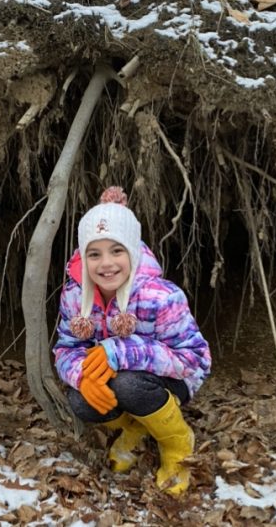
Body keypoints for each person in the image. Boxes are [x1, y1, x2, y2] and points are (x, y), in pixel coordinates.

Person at [53, 186, 212, 496]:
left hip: (172, 379)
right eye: (94, 254)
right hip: (119, 376)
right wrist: (80, 375)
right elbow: (66, 348)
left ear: (133, 252)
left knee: (128, 385)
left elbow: (194, 358)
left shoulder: (161, 295)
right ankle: (135, 429)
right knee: (80, 400)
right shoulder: (75, 296)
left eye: (117, 251)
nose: (106, 264)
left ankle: (176, 442)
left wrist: (120, 351)